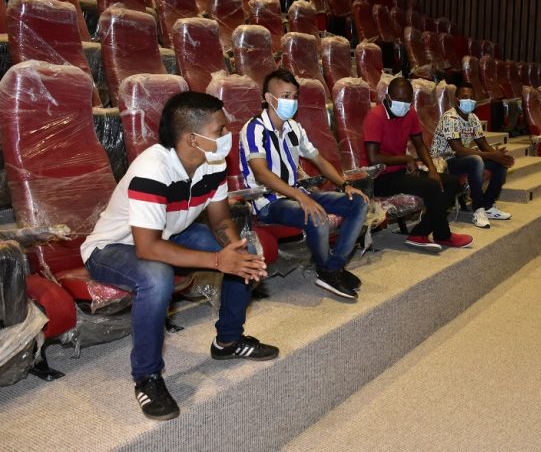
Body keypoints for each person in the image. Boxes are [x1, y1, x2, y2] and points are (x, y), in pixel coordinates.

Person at [81, 92, 279, 421]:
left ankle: (228, 341)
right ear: (192, 138)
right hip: (112, 248)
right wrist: (219, 261)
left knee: (240, 252)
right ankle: (147, 377)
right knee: (157, 275)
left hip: (167, 233)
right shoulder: (152, 169)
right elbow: (147, 248)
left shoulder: (212, 162)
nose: (227, 136)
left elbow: (220, 221)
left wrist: (233, 249)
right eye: (220, 130)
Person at [240, 69, 369, 301]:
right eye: (286, 95)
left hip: (297, 194)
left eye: (294, 96)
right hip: (269, 203)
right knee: (316, 215)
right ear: (269, 98)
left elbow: (318, 159)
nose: (292, 102)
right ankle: (327, 269)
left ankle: (332, 267)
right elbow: (261, 173)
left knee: (357, 202)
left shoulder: (294, 128)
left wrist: (345, 184)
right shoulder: (254, 128)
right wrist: (302, 198)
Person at [363, 77, 473, 250]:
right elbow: (373, 158)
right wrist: (407, 159)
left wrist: (432, 170)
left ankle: (421, 232)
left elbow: (420, 145)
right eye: (398, 99)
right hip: (379, 177)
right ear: (388, 97)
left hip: (400, 172)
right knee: (431, 187)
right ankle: (442, 235)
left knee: (451, 182)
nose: (403, 104)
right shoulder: (375, 116)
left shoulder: (410, 113)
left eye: (407, 100)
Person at [430, 82, 514, 228]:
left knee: (499, 164)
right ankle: (478, 209)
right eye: (465, 97)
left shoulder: (473, 118)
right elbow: (458, 150)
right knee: (477, 160)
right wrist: (492, 155)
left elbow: (483, 144)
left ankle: (488, 206)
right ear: (457, 99)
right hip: (444, 162)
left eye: (471, 98)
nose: (469, 101)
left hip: (461, 159)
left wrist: (499, 156)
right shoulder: (450, 118)